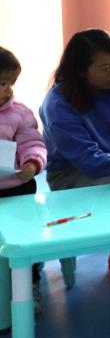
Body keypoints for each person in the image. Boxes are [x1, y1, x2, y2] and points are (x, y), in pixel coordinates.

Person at [39, 29, 110, 289]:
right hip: (73, 173)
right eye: (103, 68)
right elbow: (87, 159)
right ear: (80, 70)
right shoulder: (57, 104)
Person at [0, 47, 47, 312]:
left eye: (12, 83)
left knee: (24, 239)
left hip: (17, 187)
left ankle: (30, 284)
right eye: (2, 83)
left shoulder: (20, 113)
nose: (8, 90)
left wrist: (32, 164)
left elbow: (32, 143)